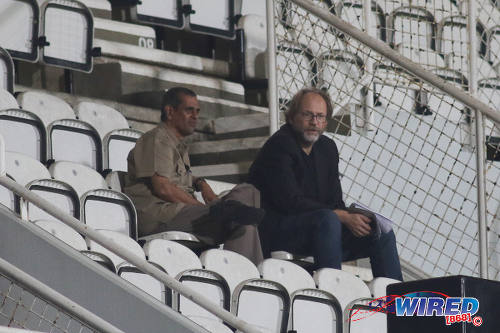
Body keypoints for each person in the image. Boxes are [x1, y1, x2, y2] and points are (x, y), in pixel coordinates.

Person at [248, 87, 403, 279]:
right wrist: (340, 215)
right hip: (278, 230)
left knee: (380, 232)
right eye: (308, 115)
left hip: (321, 229)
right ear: (292, 116)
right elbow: (290, 201)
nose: (314, 122)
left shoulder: (327, 148)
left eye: (320, 116)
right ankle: (333, 290)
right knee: (329, 219)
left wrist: (353, 217)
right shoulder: (279, 145)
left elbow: (335, 201)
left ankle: (398, 303)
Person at [124, 87, 264, 264]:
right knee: (240, 221)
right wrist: (205, 208)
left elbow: (180, 177)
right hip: (162, 215)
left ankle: (245, 279)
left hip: (184, 213)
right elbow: (163, 188)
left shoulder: (179, 145)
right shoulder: (156, 139)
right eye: (189, 110)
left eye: (197, 111)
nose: (195, 116)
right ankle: (248, 280)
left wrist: (201, 183)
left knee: (248, 196)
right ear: (170, 111)